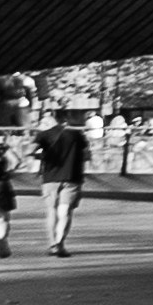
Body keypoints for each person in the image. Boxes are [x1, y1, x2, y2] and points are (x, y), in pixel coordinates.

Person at [33, 106, 86, 257]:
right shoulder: (77, 135)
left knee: (51, 211)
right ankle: (60, 243)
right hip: (72, 177)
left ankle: (52, 244)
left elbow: (31, 151)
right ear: (65, 119)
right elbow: (86, 154)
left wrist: (43, 156)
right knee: (65, 211)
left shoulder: (43, 135)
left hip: (50, 178)